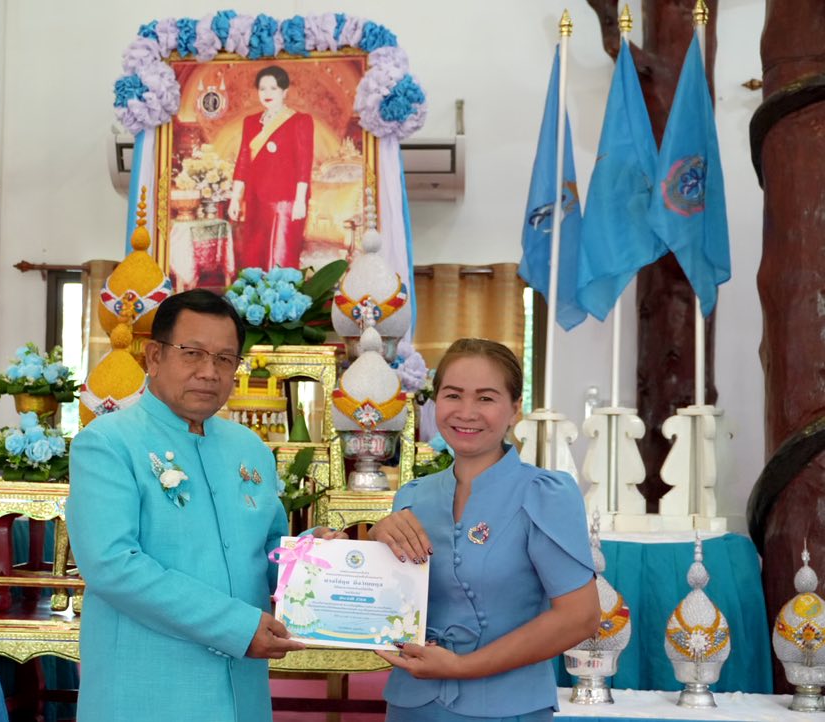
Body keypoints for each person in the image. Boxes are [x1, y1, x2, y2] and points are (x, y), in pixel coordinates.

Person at [67, 289, 342, 722]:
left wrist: (315, 555)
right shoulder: (107, 443)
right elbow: (112, 564)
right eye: (192, 353)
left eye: (225, 359)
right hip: (146, 692)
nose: (209, 372)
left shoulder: (249, 448)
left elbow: (267, 549)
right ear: (154, 357)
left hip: (241, 693)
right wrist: (236, 626)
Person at [369, 338, 600, 722]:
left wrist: (463, 667)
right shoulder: (412, 497)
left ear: (514, 409)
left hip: (507, 708)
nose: (466, 412)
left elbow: (580, 617)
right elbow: (384, 602)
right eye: (453, 395)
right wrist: (355, 547)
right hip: (412, 705)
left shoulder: (544, 494)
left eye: (486, 398)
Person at [228, 64, 314, 271]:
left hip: (286, 202)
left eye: (273, 88)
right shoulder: (250, 122)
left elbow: (304, 163)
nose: (267, 94)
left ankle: (282, 293)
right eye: (262, 88)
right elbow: (243, 161)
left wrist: (300, 200)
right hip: (256, 199)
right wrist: (235, 198)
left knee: (280, 256)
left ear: (284, 92)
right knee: (254, 257)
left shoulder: (300, 121)